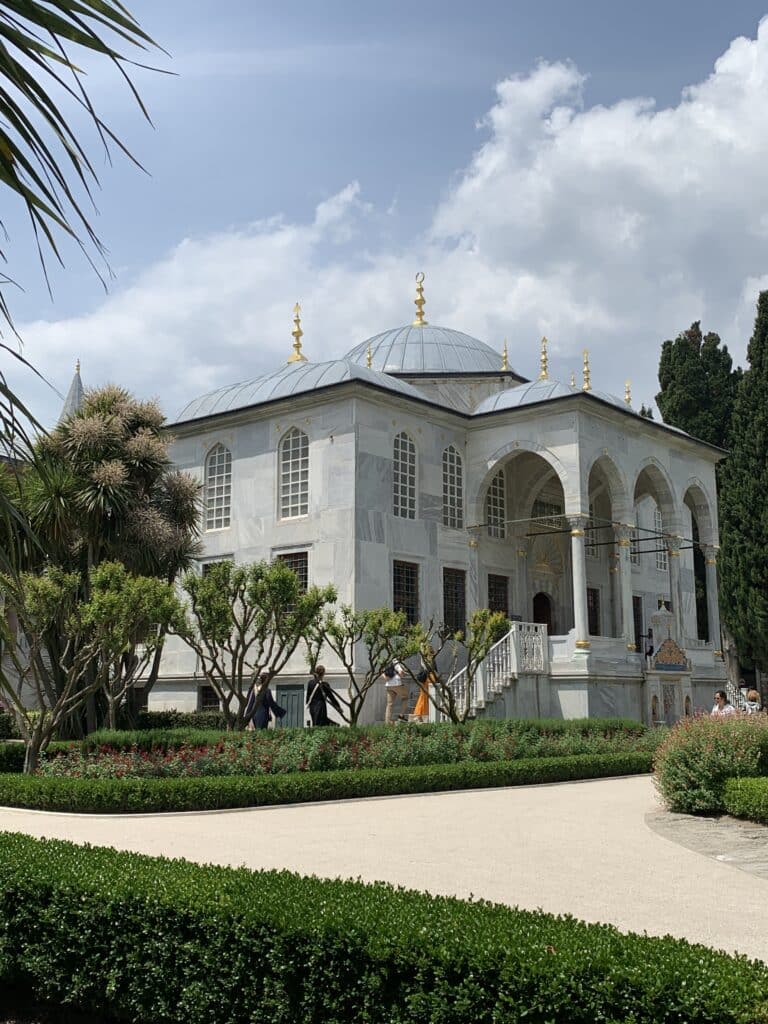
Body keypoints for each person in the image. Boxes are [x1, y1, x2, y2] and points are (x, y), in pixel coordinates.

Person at [383, 660, 409, 724]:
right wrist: (404, 674)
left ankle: (387, 723)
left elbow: (383, 674)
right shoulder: (395, 661)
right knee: (405, 697)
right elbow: (401, 673)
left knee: (389, 704)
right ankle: (401, 715)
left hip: (388, 685)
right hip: (396, 684)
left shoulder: (385, 660)